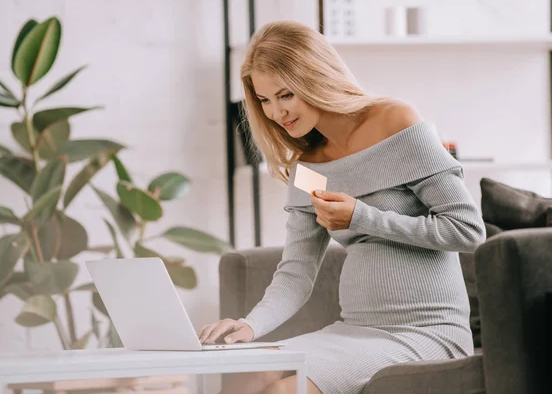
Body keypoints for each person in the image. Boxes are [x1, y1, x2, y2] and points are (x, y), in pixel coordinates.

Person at [197, 20, 486, 394]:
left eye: (286, 95)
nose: (277, 113)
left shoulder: (394, 121)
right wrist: (249, 325)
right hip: (353, 331)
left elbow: (468, 230)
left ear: (314, 78)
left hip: (427, 331)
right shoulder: (309, 166)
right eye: (265, 101)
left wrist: (361, 217)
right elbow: (296, 272)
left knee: (284, 391)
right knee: (247, 374)